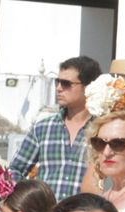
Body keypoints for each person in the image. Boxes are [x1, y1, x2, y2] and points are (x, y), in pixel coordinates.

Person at [7, 55, 102, 199]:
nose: (58, 88)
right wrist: (28, 202)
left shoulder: (104, 129)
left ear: (88, 87)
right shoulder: (43, 128)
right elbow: (15, 169)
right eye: (57, 82)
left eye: (66, 83)